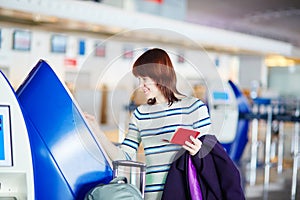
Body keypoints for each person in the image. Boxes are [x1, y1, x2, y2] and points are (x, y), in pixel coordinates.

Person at [85, 48, 212, 200]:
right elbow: (125, 157)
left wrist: (198, 150)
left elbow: (211, 154)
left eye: (144, 79)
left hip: (185, 192)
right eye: (139, 79)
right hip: (151, 196)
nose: (141, 85)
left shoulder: (194, 108)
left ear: (160, 76)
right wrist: (97, 132)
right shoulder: (141, 114)